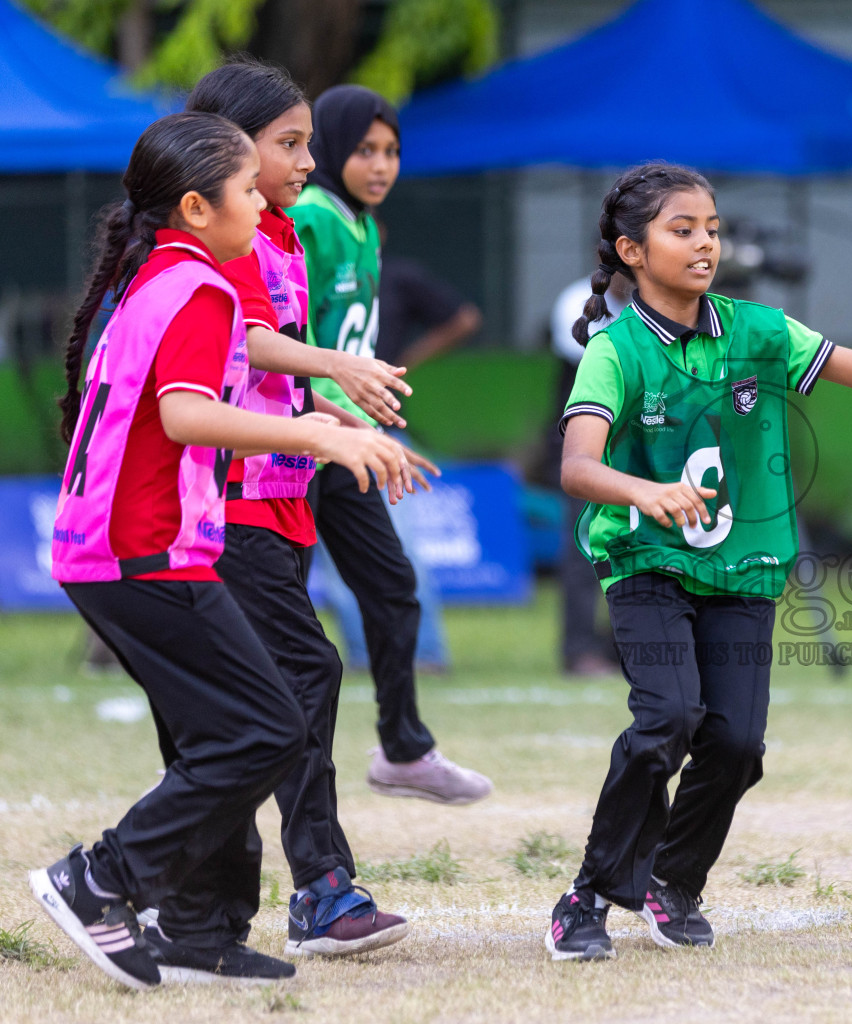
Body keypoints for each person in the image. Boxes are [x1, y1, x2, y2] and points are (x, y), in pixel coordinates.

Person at [547, 163, 852, 961]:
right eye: (681, 229)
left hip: (744, 569)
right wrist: (649, 491)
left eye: (712, 228)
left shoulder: (761, 331)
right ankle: (586, 895)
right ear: (631, 250)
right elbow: (578, 468)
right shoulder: (615, 351)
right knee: (666, 722)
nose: (704, 244)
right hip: (647, 562)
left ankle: (673, 882)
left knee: (735, 744)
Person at [29, 112, 411, 988]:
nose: (270, 197)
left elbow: (179, 424)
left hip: (125, 548)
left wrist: (319, 426)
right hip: (139, 551)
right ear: (199, 207)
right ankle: (99, 880)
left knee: (246, 729)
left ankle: (199, 928)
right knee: (269, 725)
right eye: (249, 187)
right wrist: (314, 434)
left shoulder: (155, 276)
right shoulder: (200, 289)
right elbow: (184, 417)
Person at [183, 58, 425, 958]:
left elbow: (268, 378)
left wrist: (348, 425)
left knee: (252, 709)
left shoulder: (282, 233)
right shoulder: (225, 241)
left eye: (305, 144)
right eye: (291, 144)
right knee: (299, 680)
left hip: (285, 505)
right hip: (229, 504)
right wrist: (335, 371)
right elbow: (244, 347)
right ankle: (316, 887)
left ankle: (198, 902)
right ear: (227, 149)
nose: (308, 161)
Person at [290, 85, 491, 804]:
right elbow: (287, 335)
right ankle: (205, 755)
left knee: (394, 589)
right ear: (332, 149)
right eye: (366, 149)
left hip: (346, 441)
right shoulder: (307, 216)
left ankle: (403, 749)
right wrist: (348, 418)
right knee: (276, 621)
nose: (381, 165)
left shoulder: (366, 227)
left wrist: (366, 424)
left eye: (392, 151)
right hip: (292, 437)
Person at [321, 233, 483, 674]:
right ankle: (364, 656)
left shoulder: (395, 277)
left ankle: (424, 654)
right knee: (338, 563)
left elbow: (463, 318)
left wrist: (407, 359)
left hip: (380, 428)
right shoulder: (306, 276)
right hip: (311, 431)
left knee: (397, 549)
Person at [544, 273, 632, 677]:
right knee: (584, 546)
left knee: (640, 549)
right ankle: (579, 650)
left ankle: (624, 646)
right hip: (588, 444)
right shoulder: (576, 301)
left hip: (642, 439)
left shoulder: (666, 301)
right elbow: (601, 370)